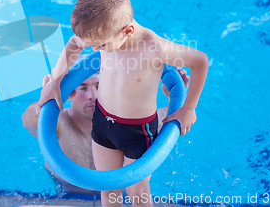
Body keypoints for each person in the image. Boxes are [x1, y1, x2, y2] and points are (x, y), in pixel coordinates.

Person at [38, 0, 209, 206]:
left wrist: (188, 108)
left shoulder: (153, 48)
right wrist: (56, 79)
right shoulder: (103, 32)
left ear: (127, 31)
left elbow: (201, 61)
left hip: (137, 131)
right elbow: (74, 44)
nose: (93, 50)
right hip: (102, 122)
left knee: (137, 191)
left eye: (99, 45)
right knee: (108, 189)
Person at [23, 59, 189, 196]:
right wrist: (46, 100)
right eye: (83, 88)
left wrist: (174, 95)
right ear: (70, 91)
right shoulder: (59, 123)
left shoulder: (134, 124)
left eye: (98, 86)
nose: (92, 96)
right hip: (67, 194)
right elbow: (30, 120)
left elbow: (174, 118)